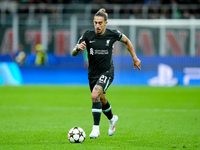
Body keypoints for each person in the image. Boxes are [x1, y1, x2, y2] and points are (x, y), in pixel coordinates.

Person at [71, 8, 141, 139]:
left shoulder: (112, 34)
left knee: (94, 95)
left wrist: (135, 58)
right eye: (95, 22)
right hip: (92, 74)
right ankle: (112, 119)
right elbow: (73, 53)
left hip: (107, 71)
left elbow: (127, 41)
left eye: (100, 23)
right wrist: (77, 49)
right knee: (101, 99)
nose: (97, 25)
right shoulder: (87, 35)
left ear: (106, 23)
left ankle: (95, 129)